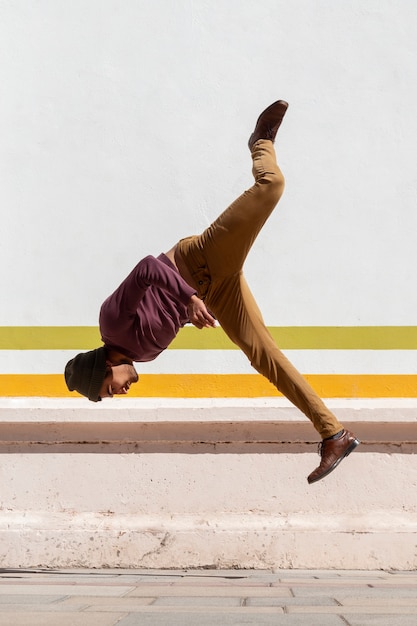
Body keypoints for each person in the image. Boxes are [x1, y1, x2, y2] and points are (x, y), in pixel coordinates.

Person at [65, 100, 360, 483]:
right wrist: (190, 310)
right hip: (216, 293)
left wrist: (188, 298)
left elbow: (147, 268)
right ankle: (333, 435)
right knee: (263, 355)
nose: (120, 392)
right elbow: (162, 311)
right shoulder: (143, 354)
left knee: (271, 186)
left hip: (200, 261)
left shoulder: (112, 322)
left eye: (110, 389)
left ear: (105, 366)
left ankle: (261, 144)